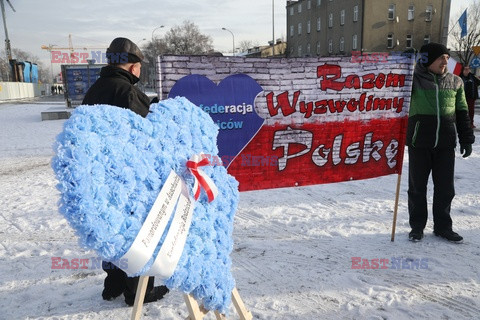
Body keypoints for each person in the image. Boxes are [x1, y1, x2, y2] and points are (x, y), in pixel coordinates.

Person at [82, 37, 168, 306]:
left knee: (112, 230)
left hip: (100, 176)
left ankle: (113, 284)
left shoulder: (93, 91)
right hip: (130, 178)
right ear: (133, 67)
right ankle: (138, 291)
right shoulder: (127, 92)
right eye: (140, 67)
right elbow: (146, 135)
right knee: (137, 232)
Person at [406, 42, 475, 243]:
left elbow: (462, 112)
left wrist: (466, 138)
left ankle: (443, 227)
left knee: (445, 188)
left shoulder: (456, 82)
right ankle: (417, 227)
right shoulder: (413, 80)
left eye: (446, 57)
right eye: (440, 58)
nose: (445, 62)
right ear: (427, 60)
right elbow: (394, 84)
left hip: (445, 143)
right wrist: (404, 62)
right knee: (417, 188)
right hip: (419, 142)